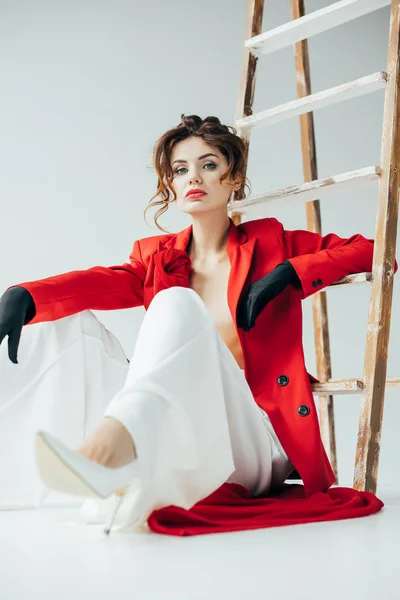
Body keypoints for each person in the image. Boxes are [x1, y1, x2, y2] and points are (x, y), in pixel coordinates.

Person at [0, 114, 392, 535]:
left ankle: (108, 450)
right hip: (183, 426)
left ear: (233, 178)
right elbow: (99, 283)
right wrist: (26, 293)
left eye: (208, 165)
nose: (194, 178)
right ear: (170, 183)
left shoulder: (272, 244)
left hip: (253, 436)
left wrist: (288, 274)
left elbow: (372, 248)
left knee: (174, 302)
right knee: (57, 321)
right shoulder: (159, 258)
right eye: (181, 169)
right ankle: (21, 473)